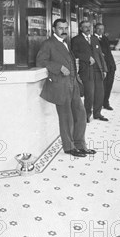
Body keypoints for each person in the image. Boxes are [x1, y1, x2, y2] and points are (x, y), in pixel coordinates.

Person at [36, 19, 96, 157]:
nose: (63, 31)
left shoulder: (65, 43)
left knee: (80, 114)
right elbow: (40, 61)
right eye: (60, 28)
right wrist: (59, 67)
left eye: (65, 28)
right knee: (66, 117)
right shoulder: (48, 44)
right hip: (60, 85)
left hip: (72, 84)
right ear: (53, 29)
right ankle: (69, 147)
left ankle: (80, 145)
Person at [71, 20, 109, 122]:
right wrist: (86, 57)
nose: (88, 29)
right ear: (80, 28)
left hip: (98, 69)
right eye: (85, 27)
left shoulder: (94, 38)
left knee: (99, 93)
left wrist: (104, 69)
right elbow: (74, 53)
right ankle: (86, 115)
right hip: (86, 70)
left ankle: (97, 113)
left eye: (89, 27)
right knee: (89, 94)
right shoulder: (76, 39)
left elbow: (100, 54)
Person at [94, 23, 116, 111]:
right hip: (101, 66)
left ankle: (106, 102)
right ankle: (98, 104)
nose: (100, 31)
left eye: (102, 29)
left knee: (109, 85)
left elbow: (108, 53)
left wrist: (112, 65)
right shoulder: (92, 39)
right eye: (98, 29)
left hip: (110, 65)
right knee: (101, 86)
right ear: (95, 29)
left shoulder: (105, 38)